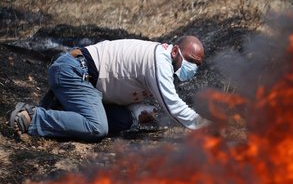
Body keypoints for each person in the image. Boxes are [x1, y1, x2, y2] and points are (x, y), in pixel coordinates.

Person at [8, 35, 210, 142]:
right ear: (175, 51)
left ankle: (60, 110)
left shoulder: (163, 61)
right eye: (190, 60)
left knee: (123, 120)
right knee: (97, 127)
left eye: (197, 65)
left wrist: (138, 110)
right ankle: (34, 117)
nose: (192, 68)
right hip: (75, 72)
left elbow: (120, 83)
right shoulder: (159, 61)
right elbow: (173, 106)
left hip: (88, 82)